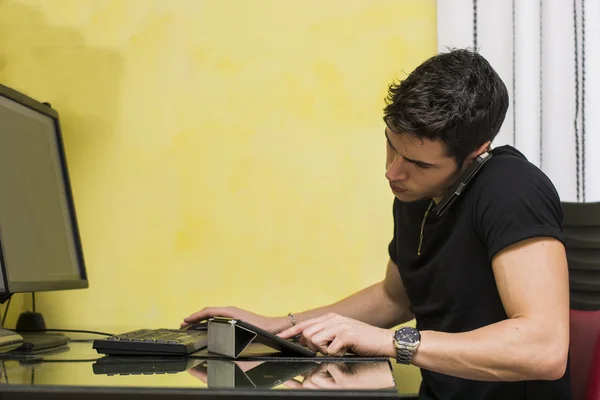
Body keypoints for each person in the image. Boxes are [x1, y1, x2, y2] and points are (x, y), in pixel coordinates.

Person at [182, 49, 571, 400]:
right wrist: (278, 326)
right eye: (391, 145)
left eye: (419, 163)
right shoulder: (416, 191)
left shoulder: (513, 190)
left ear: (475, 154)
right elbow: (395, 297)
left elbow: (544, 349)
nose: (392, 172)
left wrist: (392, 343)